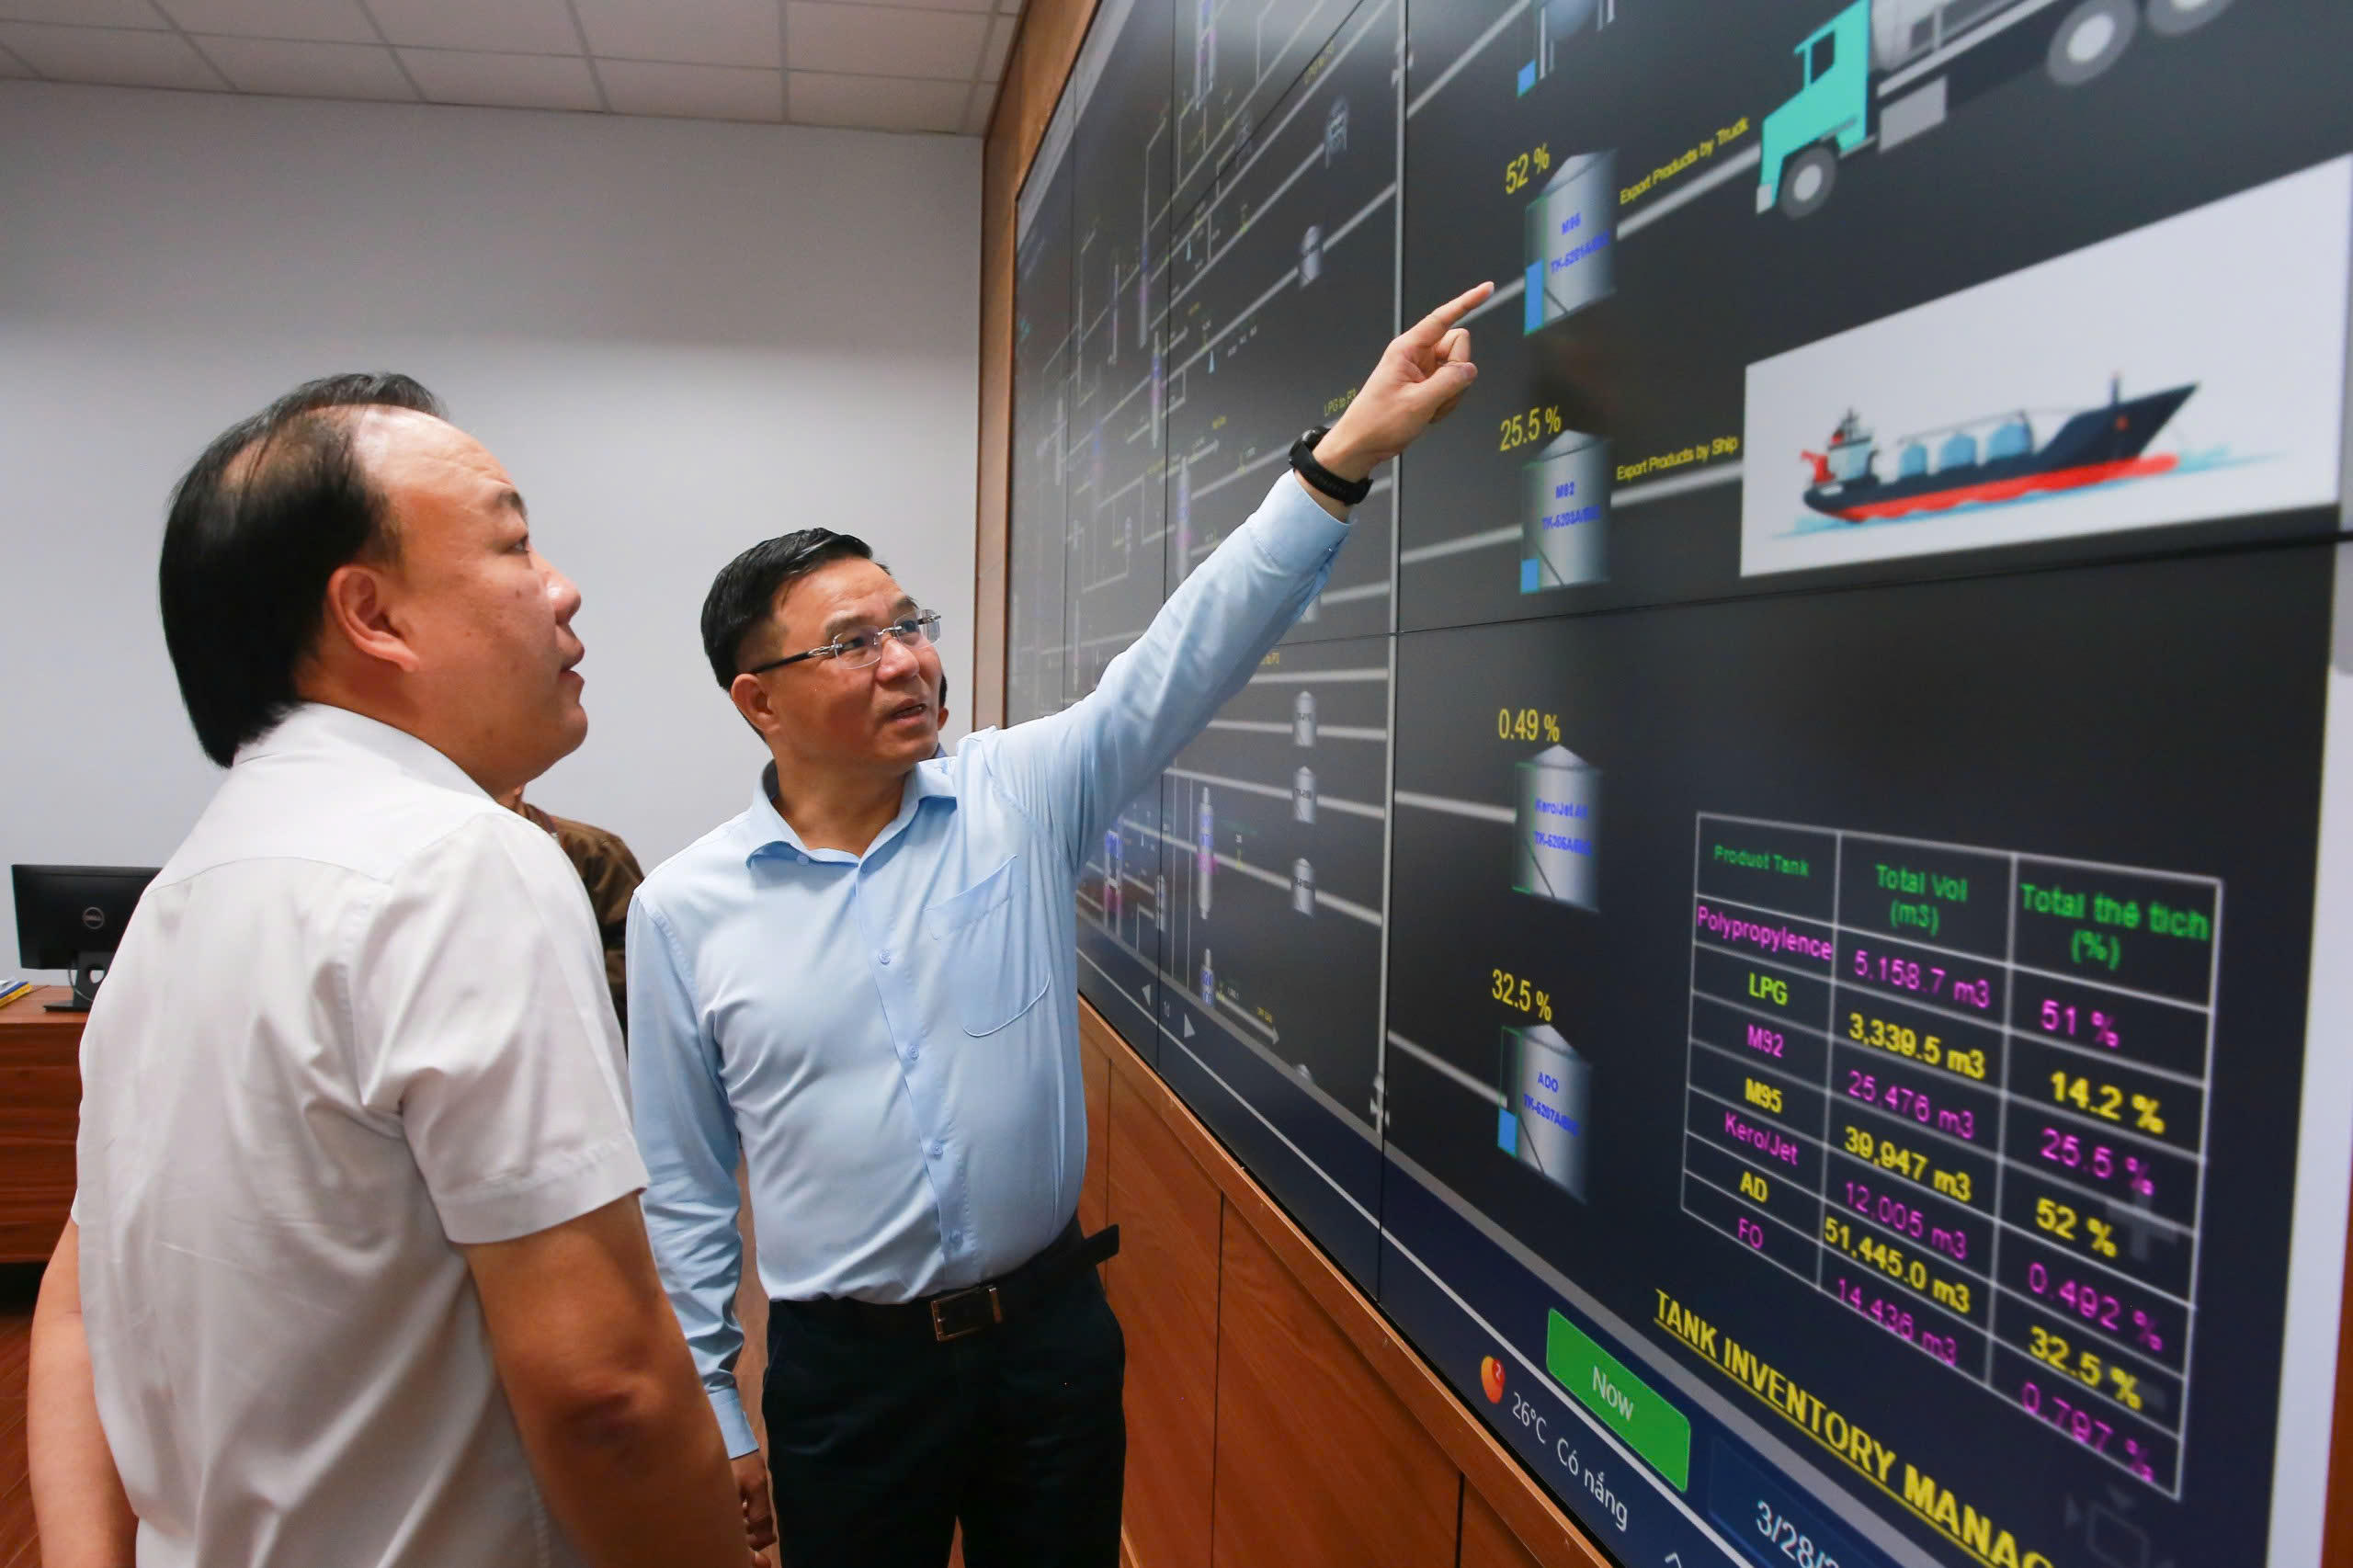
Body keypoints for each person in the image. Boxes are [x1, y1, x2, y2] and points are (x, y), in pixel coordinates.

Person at [627, 282, 1492, 1568]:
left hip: (1048, 1345)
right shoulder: (683, 909)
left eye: (910, 625)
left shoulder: (1016, 796)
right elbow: (685, 1182)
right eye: (854, 643)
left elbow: (1185, 653)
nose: (907, 660)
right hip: (848, 1379)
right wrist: (712, 1404)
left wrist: (1340, 459)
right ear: (761, 701)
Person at [28, 374, 753, 1568]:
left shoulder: (181, 897)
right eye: (513, 544)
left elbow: (78, 1298)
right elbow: (607, 1392)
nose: (562, 588)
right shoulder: (459, 859)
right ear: (371, 613)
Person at [498, 786, 645, 1035]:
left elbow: (634, 946)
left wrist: (581, 1008)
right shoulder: (453, 849)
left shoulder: (591, 849)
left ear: (515, 787)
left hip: (583, 1027)